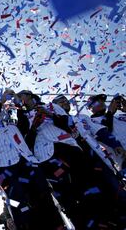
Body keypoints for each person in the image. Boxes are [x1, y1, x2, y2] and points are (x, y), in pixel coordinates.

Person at [16, 90, 115, 228]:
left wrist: (50, 114)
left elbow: (71, 126)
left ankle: (107, 222)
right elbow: (25, 146)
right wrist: (33, 128)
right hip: (46, 158)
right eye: (17, 98)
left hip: (69, 149)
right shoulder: (21, 119)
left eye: (21, 96)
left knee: (90, 188)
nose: (19, 99)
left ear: (29, 96)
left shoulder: (51, 106)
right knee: (68, 198)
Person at [0, 89, 63, 230]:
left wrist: (18, 104)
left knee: (45, 200)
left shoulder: (11, 125)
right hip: (5, 169)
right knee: (20, 204)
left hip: (29, 163)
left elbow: (25, 125)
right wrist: (0, 102)